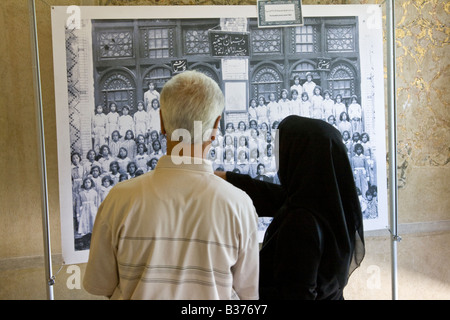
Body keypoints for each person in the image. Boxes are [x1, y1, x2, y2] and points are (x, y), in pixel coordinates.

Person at [84, 70, 259, 300]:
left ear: (162, 122)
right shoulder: (240, 205)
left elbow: (101, 286)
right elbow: (247, 294)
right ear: (216, 127)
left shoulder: (118, 199)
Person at [215, 115, 365, 299]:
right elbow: (267, 194)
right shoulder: (331, 205)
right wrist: (213, 176)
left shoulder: (301, 222)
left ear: (299, 156)